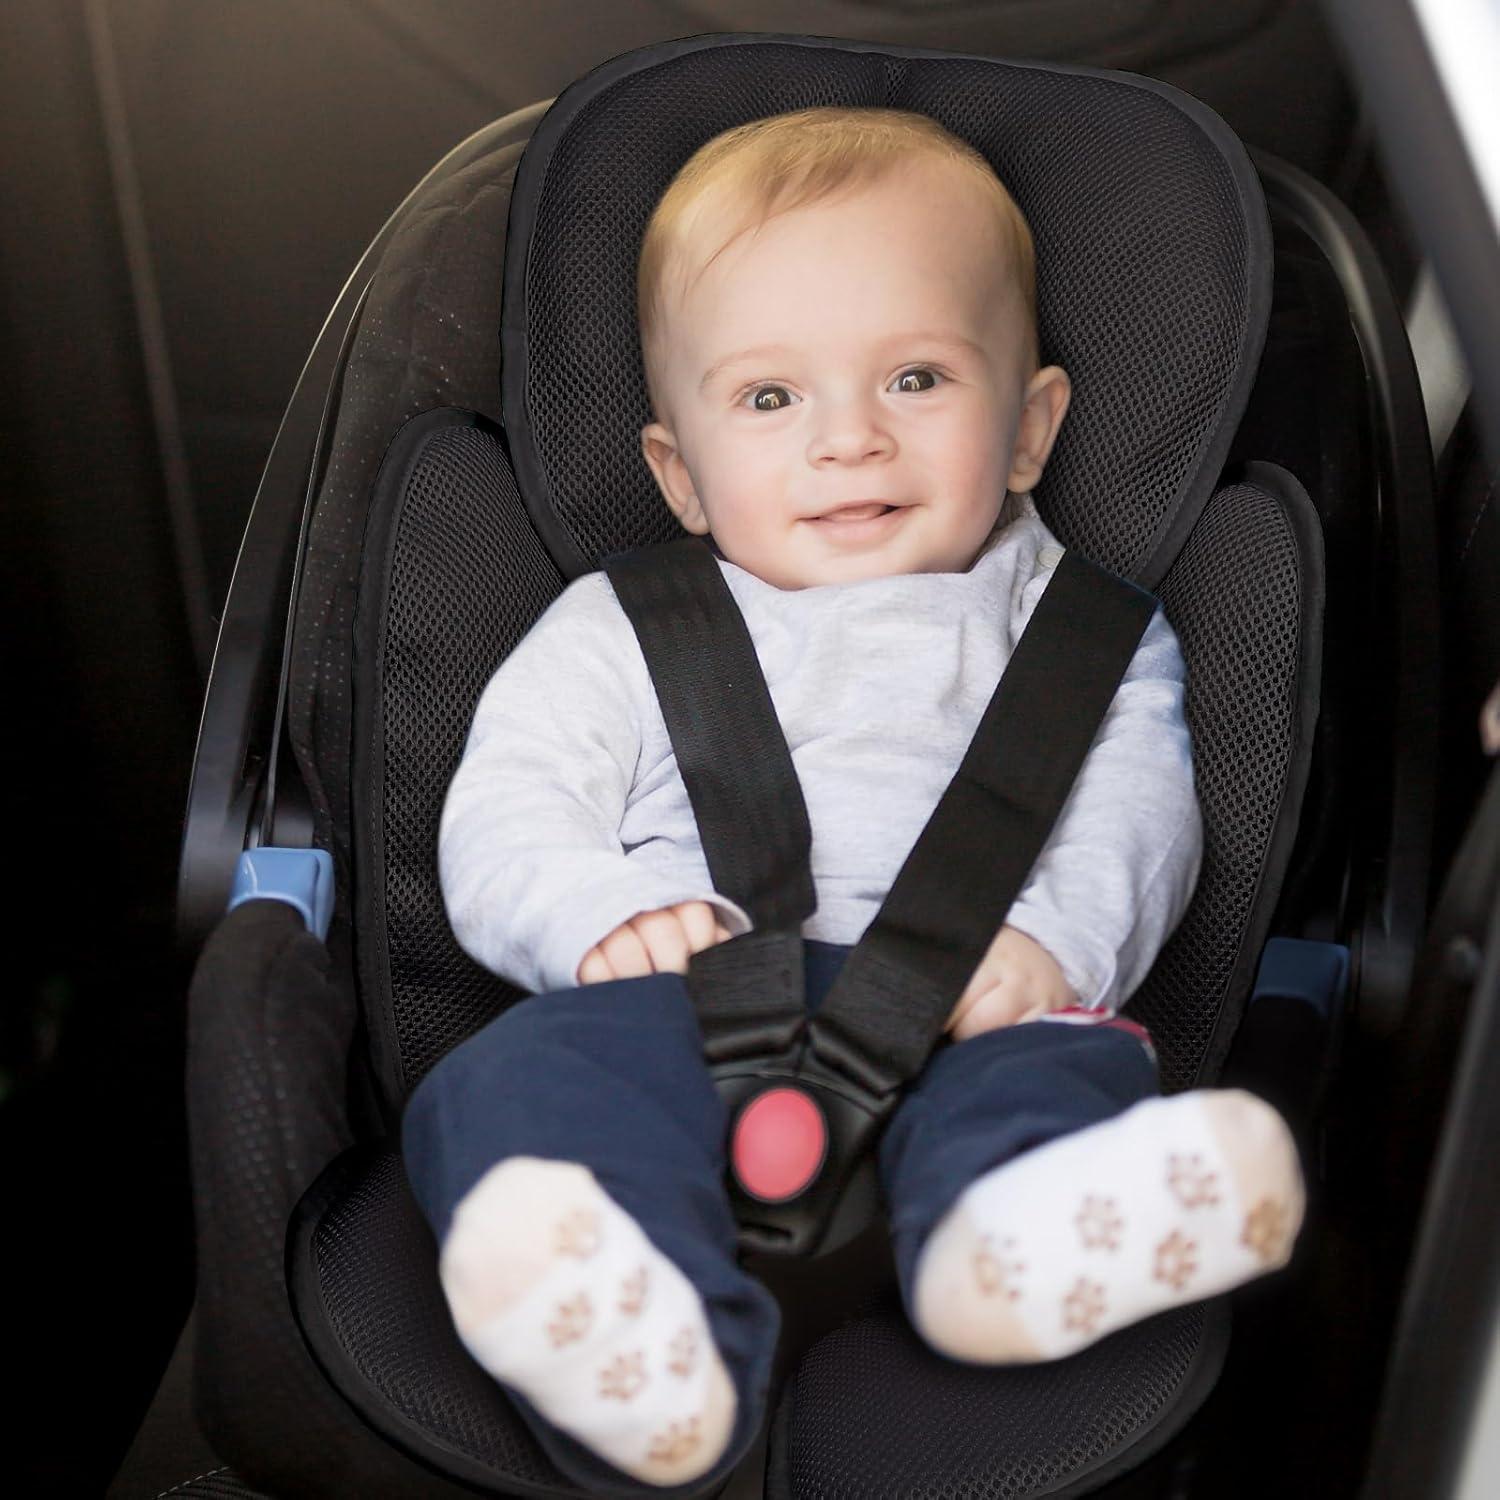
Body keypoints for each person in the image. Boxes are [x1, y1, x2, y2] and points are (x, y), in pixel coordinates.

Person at [403, 106, 1304, 1491]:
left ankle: (1015, 1249)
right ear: (679, 474)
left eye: (919, 380)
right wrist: (601, 916)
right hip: (683, 1004)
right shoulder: (619, 627)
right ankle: (641, 1350)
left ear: (1029, 426)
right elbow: (511, 803)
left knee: (1066, 1071)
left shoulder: (1083, 633)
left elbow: (1140, 817)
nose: (849, 443)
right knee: (513, 1087)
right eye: (772, 399)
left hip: (970, 1006)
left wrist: (1057, 947)